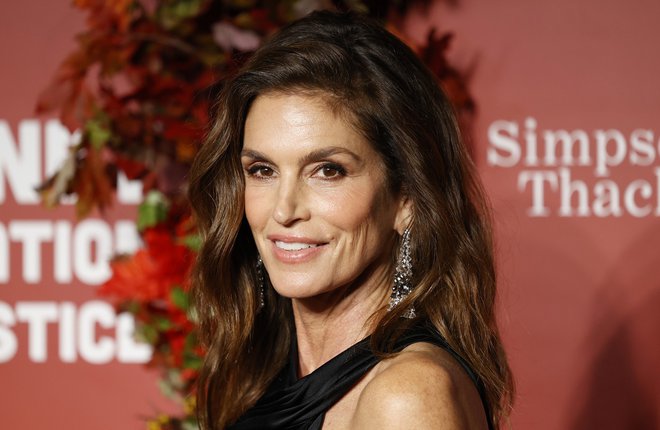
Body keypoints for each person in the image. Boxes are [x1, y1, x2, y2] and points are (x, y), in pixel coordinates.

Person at [187, 10, 514, 430]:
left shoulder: (406, 396)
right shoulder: (265, 374)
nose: (284, 210)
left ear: (407, 197)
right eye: (262, 171)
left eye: (327, 170)